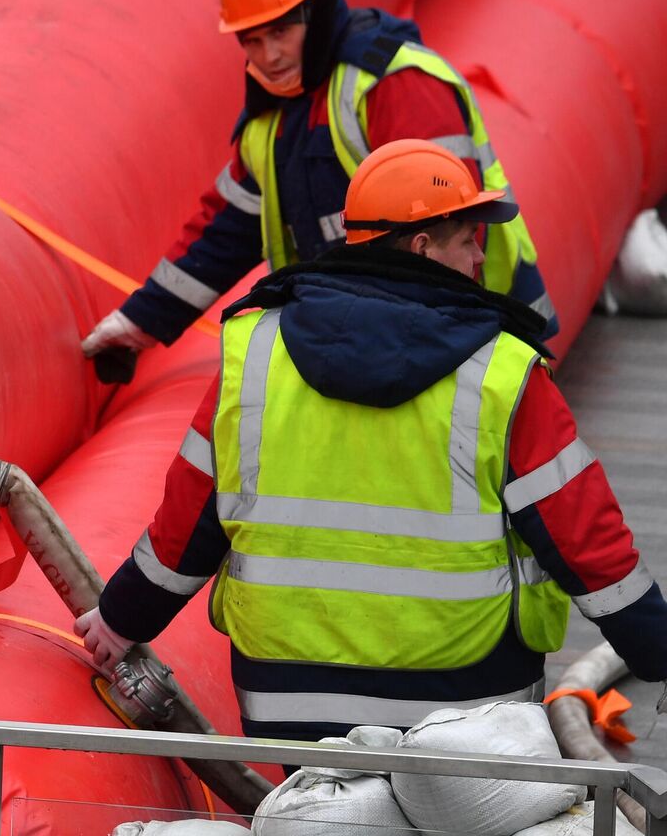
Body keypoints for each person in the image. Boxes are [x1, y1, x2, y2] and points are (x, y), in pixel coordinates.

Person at [74, 139, 667, 743]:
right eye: (467, 239)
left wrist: (121, 620)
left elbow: (189, 522)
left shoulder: (254, 350)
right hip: (463, 712)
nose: (479, 258)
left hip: (285, 708)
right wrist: (658, 656)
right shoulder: (503, 373)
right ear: (422, 247)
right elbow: (589, 545)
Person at [82, 0, 556, 372]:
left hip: (482, 329)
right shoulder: (269, 126)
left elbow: (446, 228)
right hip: (367, 335)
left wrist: (414, 355)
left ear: (312, 14)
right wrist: (136, 324)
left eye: (281, 32)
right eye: (252, 41)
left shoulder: (391, 83)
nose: (269, 56)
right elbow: (221, 240)